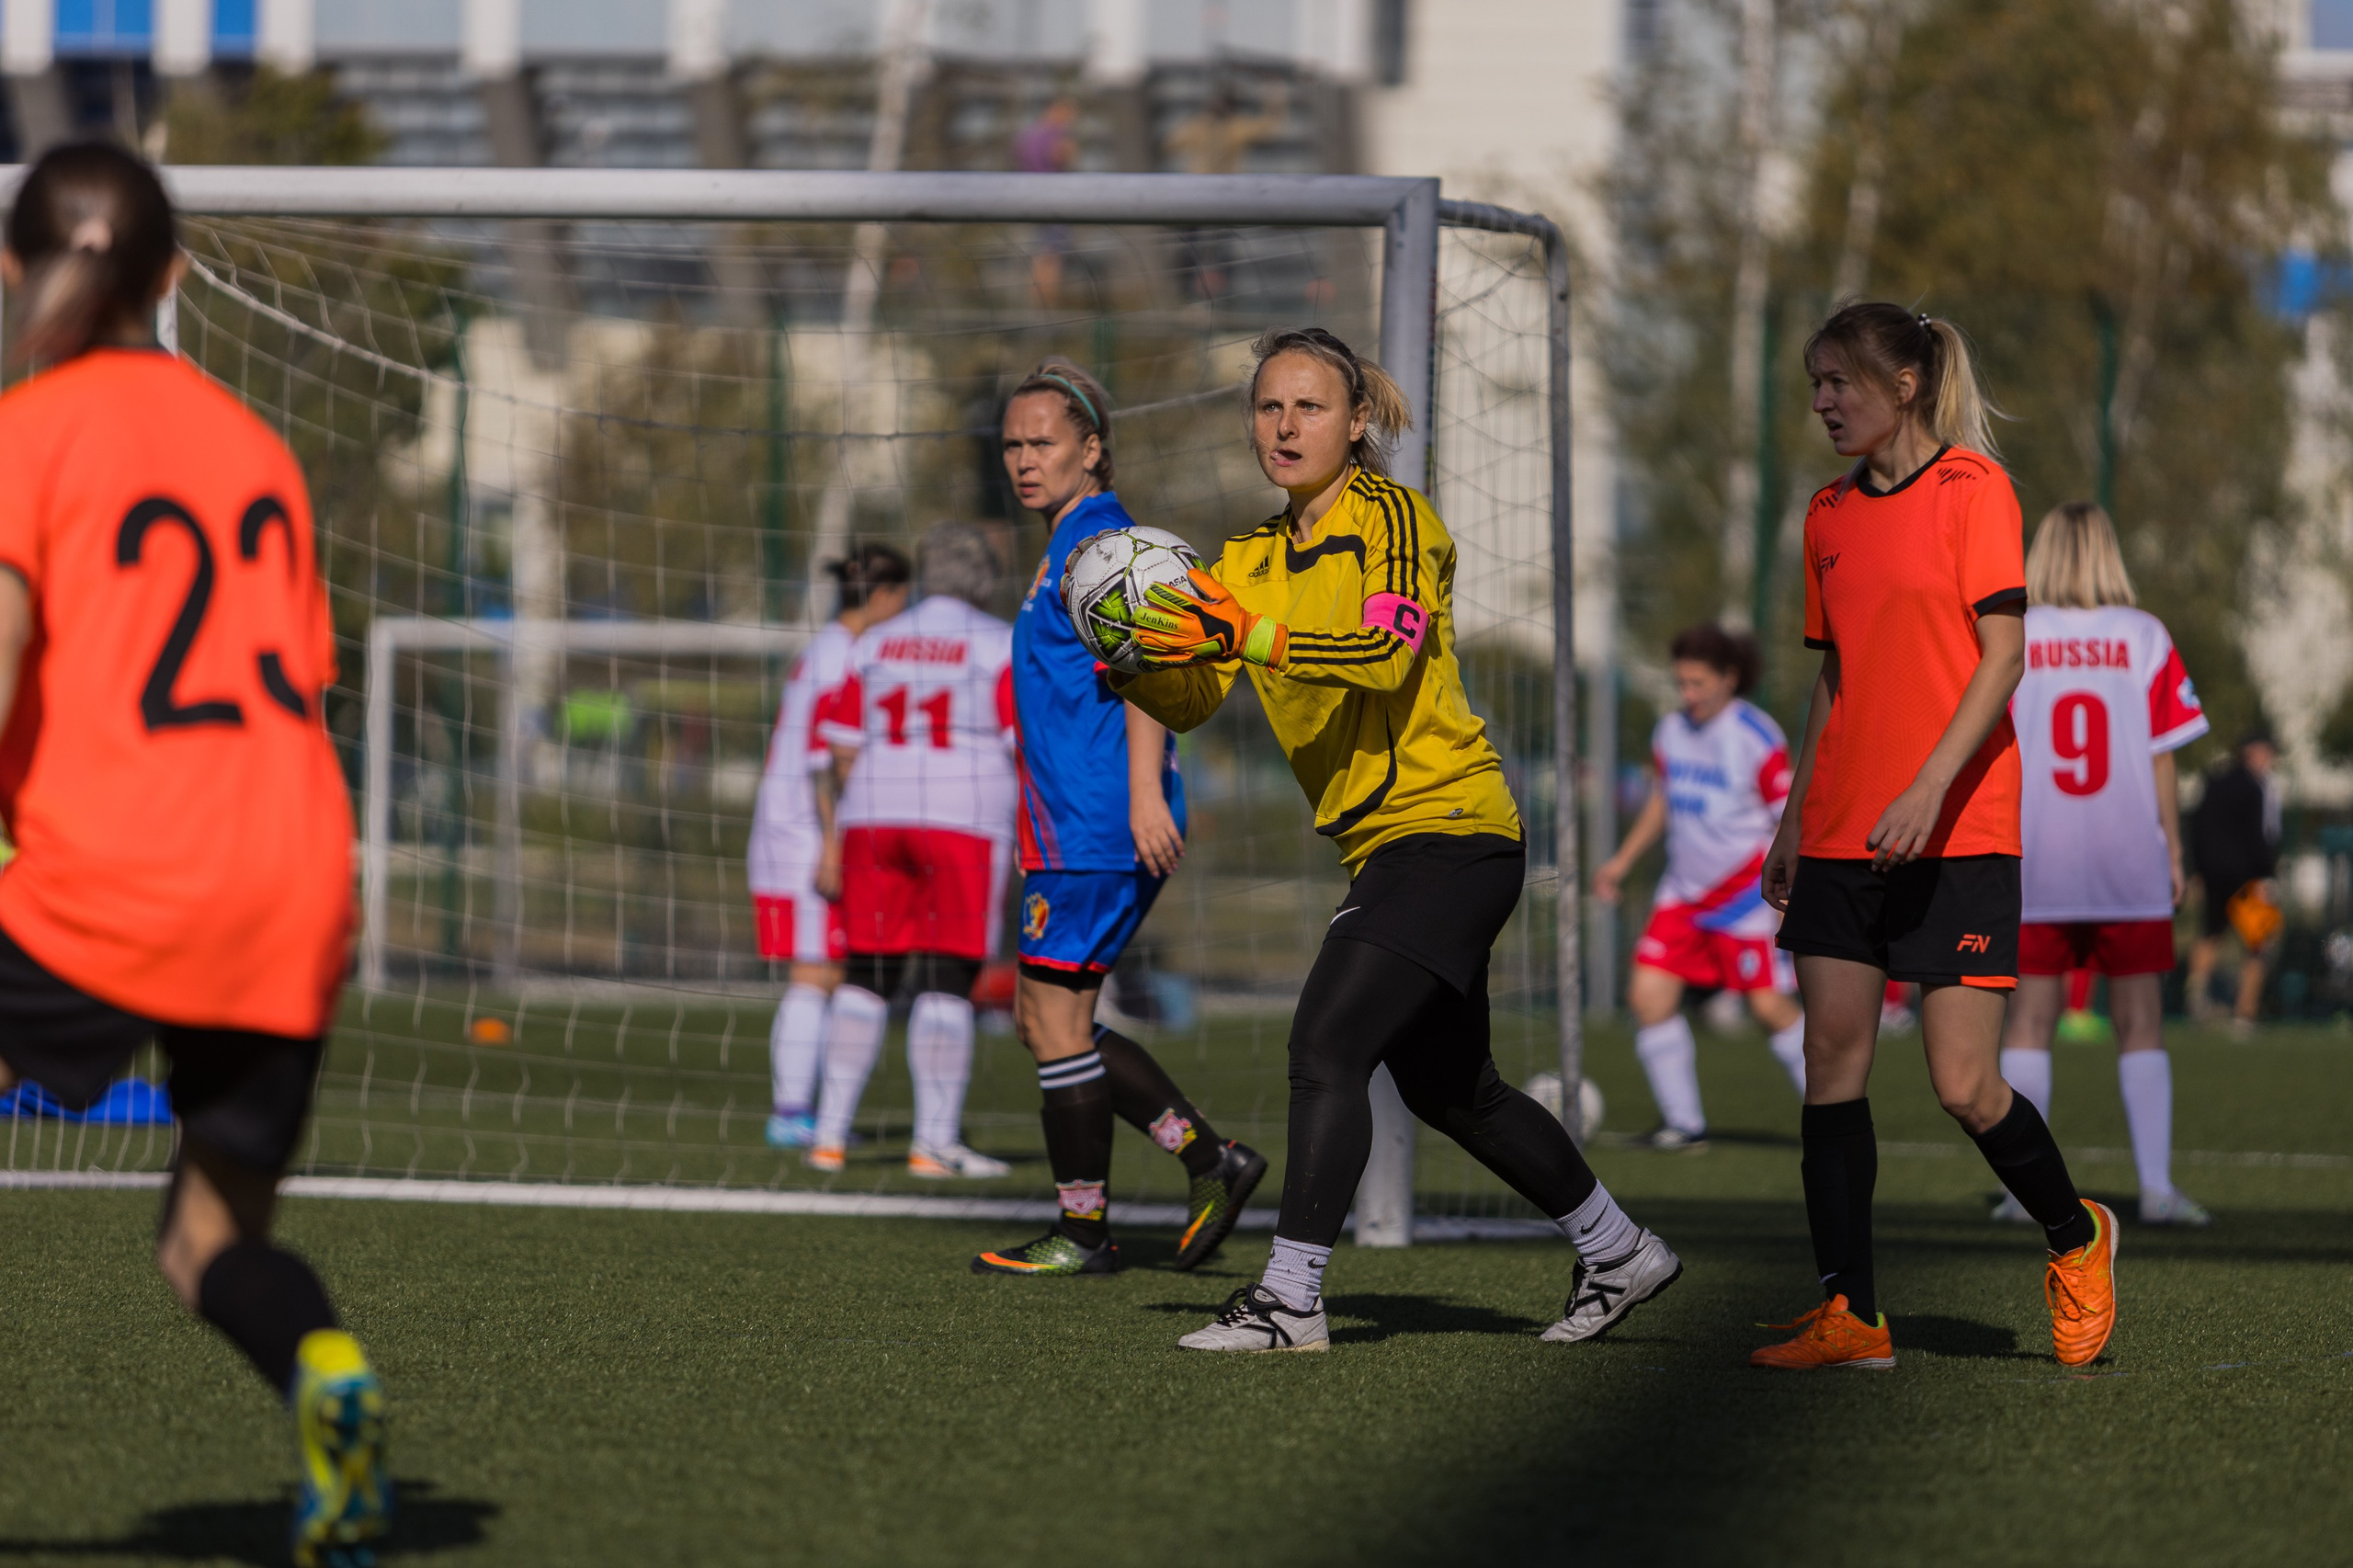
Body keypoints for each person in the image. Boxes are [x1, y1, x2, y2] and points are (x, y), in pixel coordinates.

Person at [1109, 326, 1681, 1353]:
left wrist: (1245, 632)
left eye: (1310, 406)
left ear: (1357, 420)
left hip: (1453, 830)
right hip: (1387, 850)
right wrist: (1136, 650)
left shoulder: (1395, 519)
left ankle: (1290, 1300)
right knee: (1451, 1087)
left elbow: (1381, 653)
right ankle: (1617, 1247)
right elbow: (1197, 695)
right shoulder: (1243, 555)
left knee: (1325, 1041)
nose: (1284, 426)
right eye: (1268, 407)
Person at [0, 143, 387, 1562]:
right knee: (208, 1243)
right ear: (171, 276)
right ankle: (325, 1373)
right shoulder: (254, 450)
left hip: (114, 866)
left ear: (10, 268)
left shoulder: (28, 436)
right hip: (290, 878)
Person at [1755, 302, 2118, 1371]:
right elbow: (1835, 674)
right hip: (1839, 833)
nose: (1821, 403)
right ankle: (1851, 1313)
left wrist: (1924, 788)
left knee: (1963, 1084)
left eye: (1838, 383)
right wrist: (1793, 814)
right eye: (1814, 384)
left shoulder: (1975, 490)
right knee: (1831, 1060)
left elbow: (2001, 659)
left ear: (1903, 385)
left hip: (1959, 825)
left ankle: (2077, 1235)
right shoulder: (1825, 513)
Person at [969, 358, 1268, 1277]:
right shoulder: (1066, 542)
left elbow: (1148, 663)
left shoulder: (1105, 540)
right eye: (1014, 444)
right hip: (1069, 821)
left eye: (1044, 442)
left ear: (1091, 449)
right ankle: (1208, 1157)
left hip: (1097, 822)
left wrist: (1143, 795)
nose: (1025, 459)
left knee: (1053, 1022)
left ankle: (1086, 1229)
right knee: (1046, 1018)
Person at [1995, 501, 2211, 1227]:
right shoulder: (2144, 635)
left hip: (2038, 855)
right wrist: (2174, 850)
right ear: (2109, 553)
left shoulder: (2016, 634)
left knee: (2028, 1022)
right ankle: (2156, 1190)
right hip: (2128, 860)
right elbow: (2162, 755)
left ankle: (2022, 1197)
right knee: (2140, 1025)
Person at [808, 522, 1017, 1179]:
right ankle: (933, 1142)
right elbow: (1021, 739)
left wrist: (843, 829)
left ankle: (830, 1135)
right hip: (963, 819)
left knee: (867, 973)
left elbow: (839, 746)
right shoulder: (998, 641)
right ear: (984, 578)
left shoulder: (876, 641)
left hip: (873, 813)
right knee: (948, 979)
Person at [1595, 623, 1807, 1146]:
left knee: (1768, 1008)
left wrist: (1785, 897)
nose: (1688, 695)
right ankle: (1684, 1127)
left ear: (1729, 679)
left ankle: (1835, 1111)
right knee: (1648, 997)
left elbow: (1788, 819)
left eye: (1697, 683)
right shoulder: (1670, 731)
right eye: (1681, 684)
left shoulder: (1756, 737)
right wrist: (1620, 862)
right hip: (1682, 894)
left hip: (1743, 898)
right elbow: (1663, 800)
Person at [748, 543, 910, 1149]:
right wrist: (833, 846)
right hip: (807, 836)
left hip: (787, 829)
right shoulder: (848, 657)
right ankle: (792, 1113)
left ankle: (804, 1110)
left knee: (827, 973)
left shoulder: (824, 648)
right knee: (816, 974)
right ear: (888, 595)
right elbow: (825, 762)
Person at [2187, 730, 2281, 1036]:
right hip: (2246, 878)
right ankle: (2245, 1013)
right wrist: (2267, 875)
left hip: (2213, 873)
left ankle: (2197, 998)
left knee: (2210, 934)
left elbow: (2196, 827)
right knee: (2258, 944)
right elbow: (2260, 837)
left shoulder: (2214, 782)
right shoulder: (2256, 788)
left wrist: (2197, 868)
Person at [1011, 97, 1079, 309]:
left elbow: (1018, 159)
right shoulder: (1057, 135)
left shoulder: (1027, 134)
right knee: (1052, 253)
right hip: (1054, 197)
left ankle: (1037, 299)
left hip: (1031, 195)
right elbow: (1062, 157)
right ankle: (1046, 303)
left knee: (1041, 250)